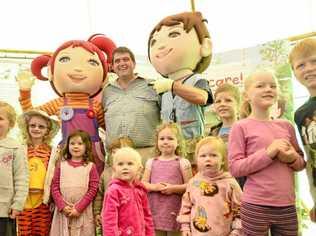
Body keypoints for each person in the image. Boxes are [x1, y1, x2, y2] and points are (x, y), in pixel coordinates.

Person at [16, 34, 116, 175]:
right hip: (67, 153)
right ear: (51, 72)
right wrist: (25, 92)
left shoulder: (96, 105)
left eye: (92, 62)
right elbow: (32, 116)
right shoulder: (59, 103)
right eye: (65, 59)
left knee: (95, 184)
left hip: (93, 153)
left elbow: (110, 129)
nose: (78, 69)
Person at [228, 70, 305, 235]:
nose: (268, 89)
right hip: (255, 205)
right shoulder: (240, 126)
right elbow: (235, 168)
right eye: (260, 86)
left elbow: (300, 163)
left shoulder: (286, 126)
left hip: (287, 205)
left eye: (273, 86)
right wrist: (268, 153)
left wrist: (291, 158)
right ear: (247, 95)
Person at [148, 11, 213, 162]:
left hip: (193, 147)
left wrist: (173, 86)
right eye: (154, 42)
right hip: (170, 150)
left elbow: (202, 98)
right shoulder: (161, 89)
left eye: (174, 35)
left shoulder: (197, 80)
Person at [102, 46, 160, 163]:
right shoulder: (107, 91)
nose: (122, 63)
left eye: (126, 59)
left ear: (133, 63)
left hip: (147, 154)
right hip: (116, 156)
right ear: (112, 67)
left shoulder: (153, 86)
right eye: (117, 61)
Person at [177, 136, 242, 235]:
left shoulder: (230, 184)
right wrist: (185, 228)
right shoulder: (193, 183)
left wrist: (236, 231)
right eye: (203, 156)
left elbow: (240, 210)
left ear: (223, 160)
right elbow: (186, 207)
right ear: (197, 160)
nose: (208, 159)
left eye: (213, 155)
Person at [142, 122, 192, 235]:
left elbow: (190, 186)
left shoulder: (182, 162)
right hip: (155, 210)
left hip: (175, 210)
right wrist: (155, 187)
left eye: (170, 138)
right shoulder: (151, 162)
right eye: (162, 138)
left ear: (178, 142)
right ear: (157, 142)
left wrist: (173, 188)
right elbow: (143, 184)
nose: (165, 141)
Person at [17, 110, 59, 236]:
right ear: (27, 127)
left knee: (42, 231)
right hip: (24, 201)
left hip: (43, 202)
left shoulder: (53, 152)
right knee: (24, 232)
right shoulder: (20, 149)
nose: (36, 129)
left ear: (48, 130)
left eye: (41, 126)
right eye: (33, 125)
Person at [50, 130, 99, 236]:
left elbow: (93, 189)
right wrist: (62, 206)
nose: (75, 146)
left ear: (87, 146)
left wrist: (79, 208)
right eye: (72, 143)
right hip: (63, 212)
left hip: (83, 211)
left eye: (80, 143)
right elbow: (54, 186)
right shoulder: (61, 165)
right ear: (67, 146)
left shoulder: (91, 166)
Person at [289, 37, 316, 222]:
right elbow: (310, 158)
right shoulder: (301, 114)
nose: (309, 68)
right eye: (301, 65)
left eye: (314, 61)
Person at [102, 147, 155, 235]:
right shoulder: (114, 190)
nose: (125, 167)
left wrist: (150, 234)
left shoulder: (140, 189)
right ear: (114, 169)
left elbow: (147, 216)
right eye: (120, 164)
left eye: (130, 164)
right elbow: (109, 220)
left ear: (139, 169)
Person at [93, 136, 134, 235]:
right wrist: (97, 212)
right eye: (113, 152)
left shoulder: (134, 173)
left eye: (120, 152)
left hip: (129, 217)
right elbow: (99, 194)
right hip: (109, 217)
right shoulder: (106, 173)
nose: (116, 155)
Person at [208, 83, 246, 189]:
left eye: (228, 100)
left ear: (238, 104)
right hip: (220, 185)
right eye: (218, 101)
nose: (222, 104)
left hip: (242, 183)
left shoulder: (246, 128)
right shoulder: (213, 132)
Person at [0, 101, 28, 236]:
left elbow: (21, 178)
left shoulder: (16, 148)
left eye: (0, 118)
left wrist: (18, 204)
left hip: (5, 209)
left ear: (10, 124)